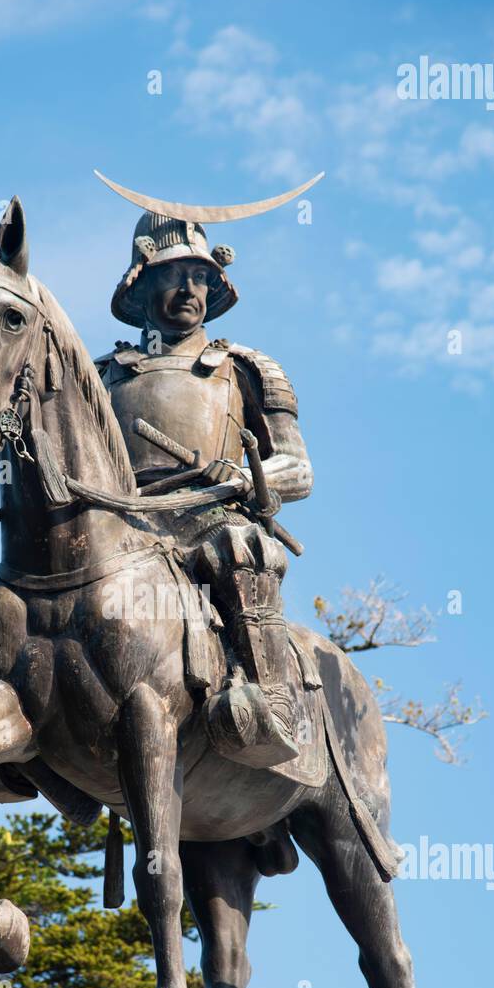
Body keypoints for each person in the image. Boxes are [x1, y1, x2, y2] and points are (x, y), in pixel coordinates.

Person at [96, 211, 314, 767]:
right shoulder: (102, 376)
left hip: (209, 516)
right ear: (141, 286)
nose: (189, 289)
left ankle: (270, 702)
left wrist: (244, 476)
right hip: (123, 522)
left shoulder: (244, 368)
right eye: (172, 277)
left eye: (200, 278)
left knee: (243, 548)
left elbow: (298, 468)